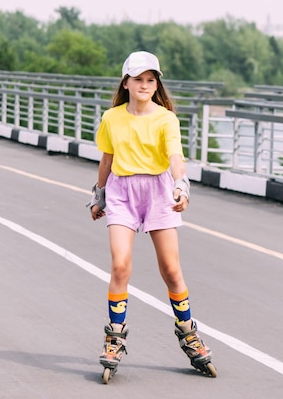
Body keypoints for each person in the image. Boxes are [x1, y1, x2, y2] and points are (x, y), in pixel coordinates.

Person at [88, 51, 215, 382]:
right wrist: (99, 194)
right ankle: (114, 339)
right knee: (120, 265)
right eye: (138, 79)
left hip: (159, 192)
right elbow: (106, 159)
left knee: (172, 270)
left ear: (156, 83)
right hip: (121, 192)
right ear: (126, 82)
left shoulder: (165, 118)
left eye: (151, 79)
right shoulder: (112, 117)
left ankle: (188, 333)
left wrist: (181, 186)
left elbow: (176, 156)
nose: (144, 85)